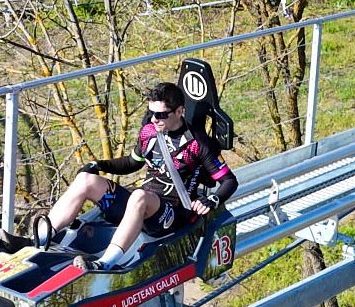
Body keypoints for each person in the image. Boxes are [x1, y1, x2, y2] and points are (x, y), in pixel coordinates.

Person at [36, 82, 237, 269]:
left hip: (171, 215)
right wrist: (97, 165)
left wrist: (212, 200)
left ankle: (103, 263)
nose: (154, 119)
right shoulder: (148, 132)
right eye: (151, 113)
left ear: (179, 111)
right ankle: (40, 239)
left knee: (139, 196)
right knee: (85, 181)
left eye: (161, 115)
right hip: (140, 204)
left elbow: (229, 181)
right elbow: (132, 163)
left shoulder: (198, 144)